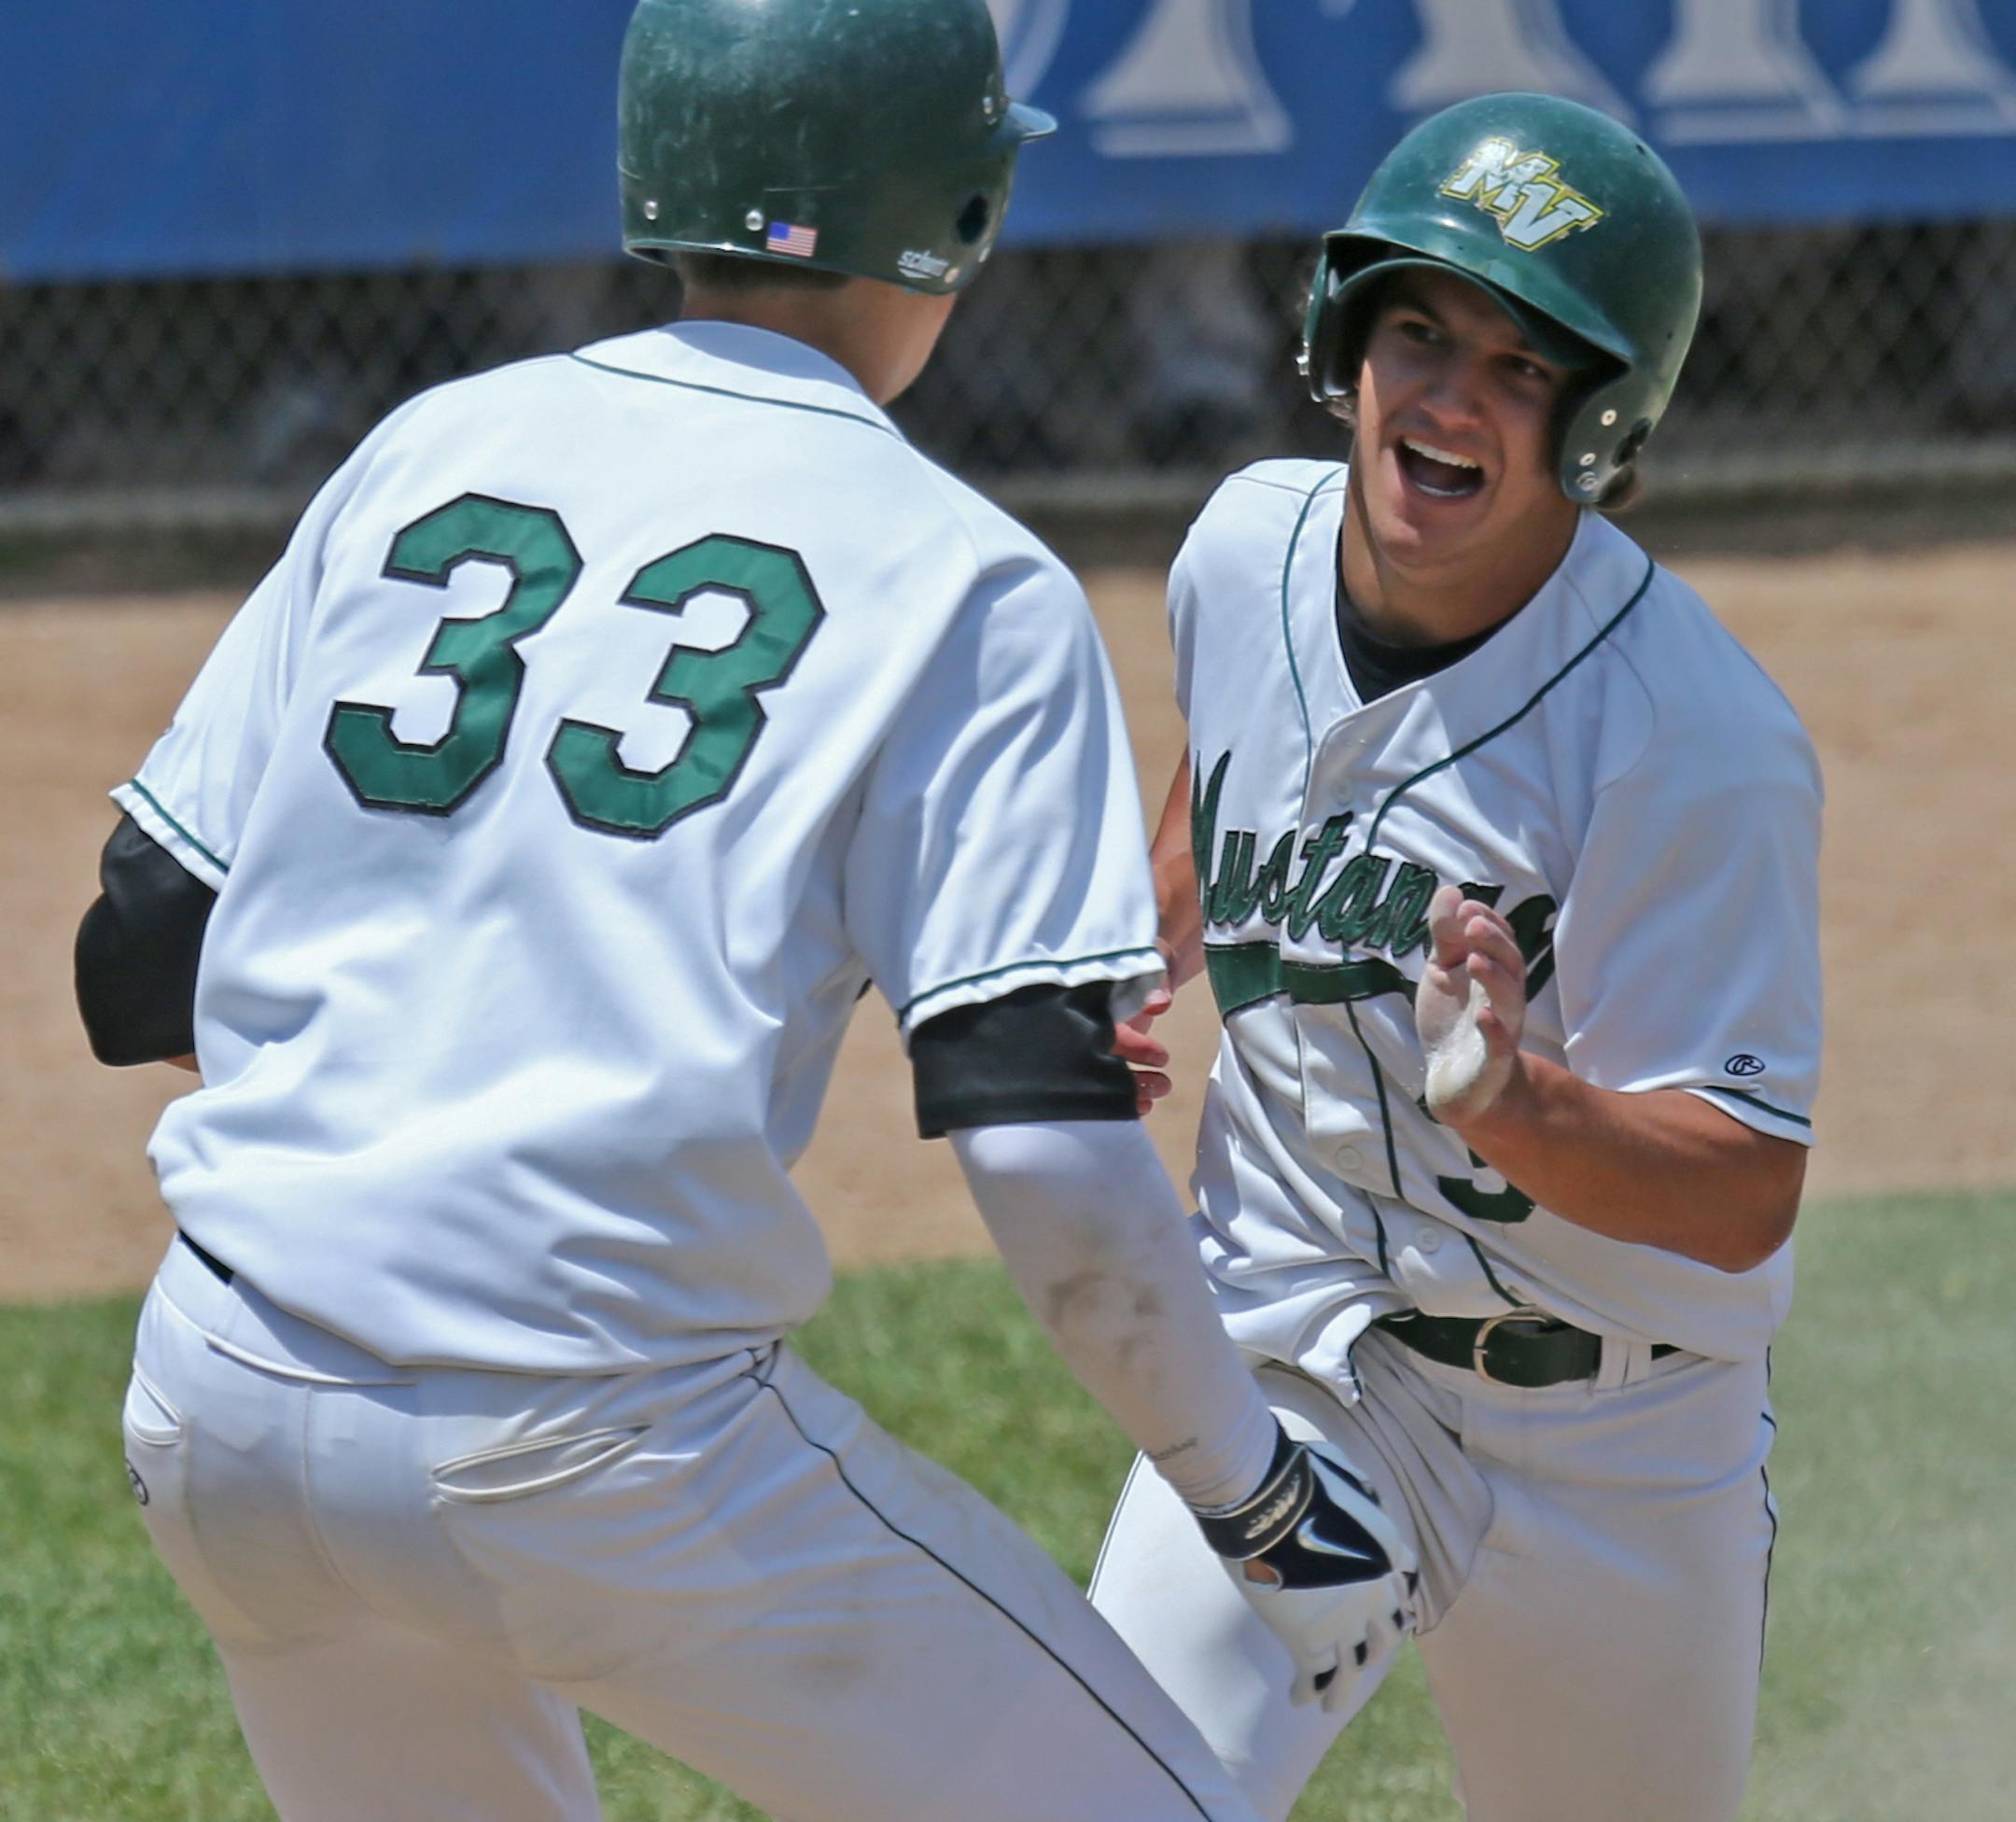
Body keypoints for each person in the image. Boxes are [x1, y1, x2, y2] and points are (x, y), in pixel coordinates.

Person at [72, 3, 1416, 1818]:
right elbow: (1051, 1159)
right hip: (606, 1451)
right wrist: (1250, 1494)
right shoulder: (965, 576)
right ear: (963, 207)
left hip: (223, 1400)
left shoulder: (430, 446)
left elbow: (139, 947)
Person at [1091, 92, 1822, 1822]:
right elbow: (1232, 768)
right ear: (1343, 340)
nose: (1445, 395)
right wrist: (1131, 958)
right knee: (1091, 1794)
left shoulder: (1690, 737)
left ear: (1601, 423)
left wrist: (1521, 1104)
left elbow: (1743, 1193)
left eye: (1518, 363)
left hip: (1614, 1440)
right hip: (1295, 1348)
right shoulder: (1243, 548)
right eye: (1420, 331)